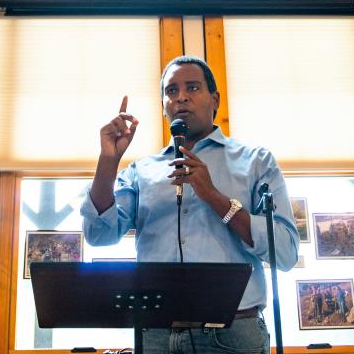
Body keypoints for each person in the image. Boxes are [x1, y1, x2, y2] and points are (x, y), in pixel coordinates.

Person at [81, 56, 300, 354]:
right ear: (163, 107)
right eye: (171, 91)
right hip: (156, 335)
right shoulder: (142, 170)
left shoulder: (256, 161)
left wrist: (213, 196)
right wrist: (109, 160)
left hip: (232, 336)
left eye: (192, 87)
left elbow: (285, 251)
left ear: (215, 100)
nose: (181, 97)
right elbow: (99, 234)